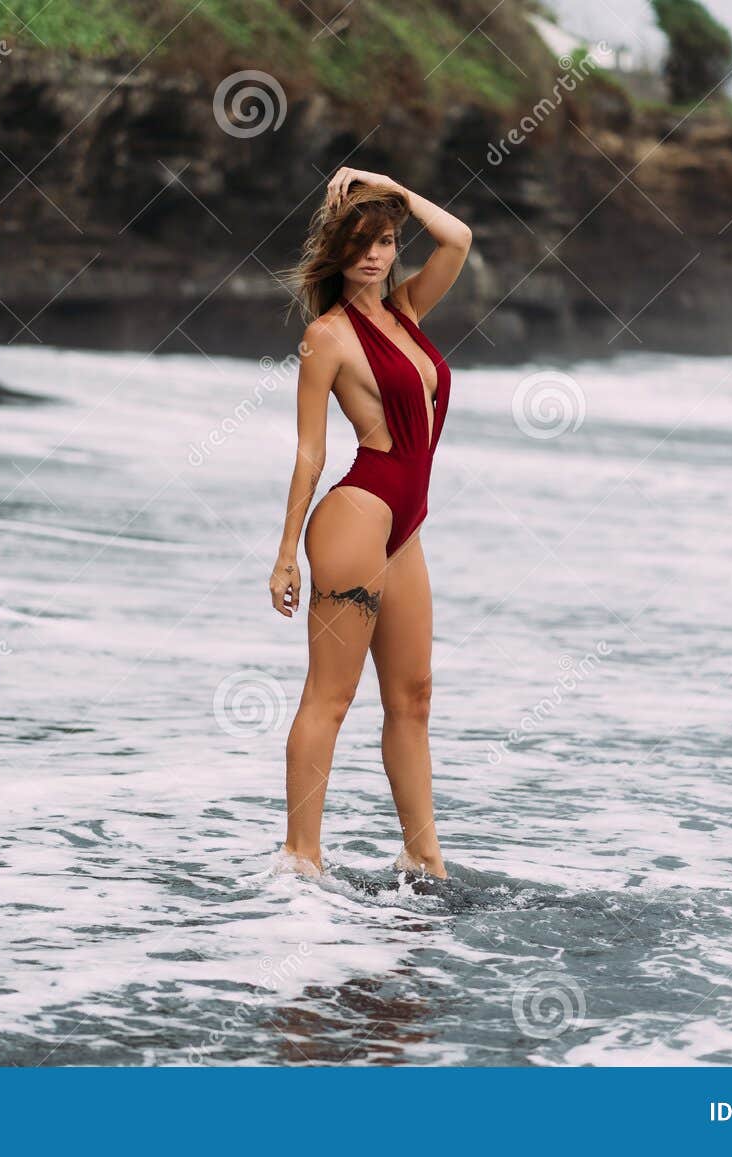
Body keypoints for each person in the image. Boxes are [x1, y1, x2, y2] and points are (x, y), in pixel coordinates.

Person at [269, 167, 472, 881]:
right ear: (338, 251)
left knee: (413, 697)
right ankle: (301, 857)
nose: (376, 255)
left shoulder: (408, 311)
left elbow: (460, 238)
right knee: (331, 695)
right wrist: (287, 552)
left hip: (406, 524)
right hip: (358, 512)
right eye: (360, 242)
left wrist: (392, 188)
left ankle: (424, 854)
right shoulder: (327, 336)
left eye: (386, 240)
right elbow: (309, 449)